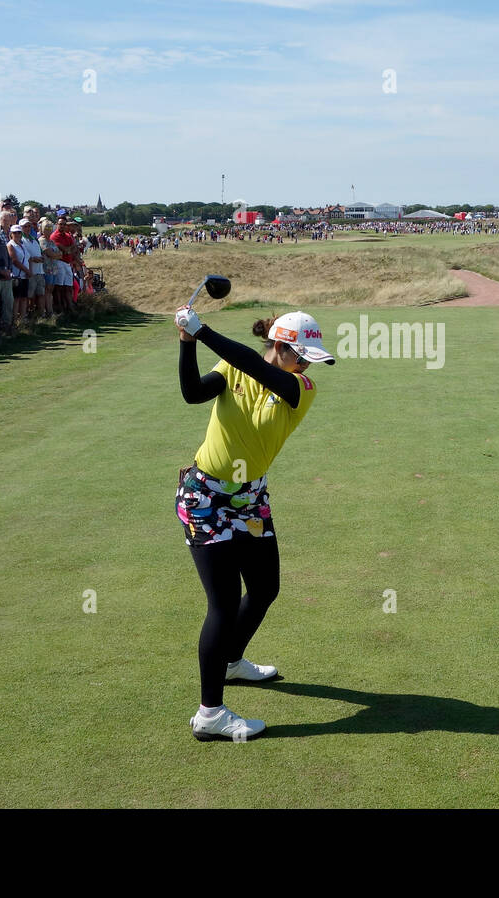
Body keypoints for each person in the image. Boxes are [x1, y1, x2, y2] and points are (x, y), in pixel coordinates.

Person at [175, 306, 334, 741]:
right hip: (206, 498)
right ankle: (210, 713)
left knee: (265, 589)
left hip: (250, 499)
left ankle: (231, 662)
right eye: (299, 355)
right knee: (223, 605)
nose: (305, 364)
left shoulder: (300, 386)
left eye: (308, 358)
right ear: (279, 346)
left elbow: (255, 366)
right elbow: (192, 393)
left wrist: (202, 329)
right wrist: (188, 343)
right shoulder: (231, 367)